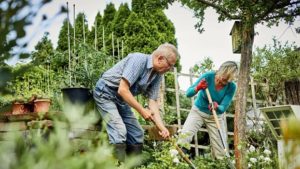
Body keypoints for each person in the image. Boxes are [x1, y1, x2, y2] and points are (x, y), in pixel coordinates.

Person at [93, 43, 179, 162]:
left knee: (137, 134)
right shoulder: (138, 60)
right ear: (160, 59)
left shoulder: (158, 75)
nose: (169, 69)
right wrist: (142, 110)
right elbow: (123, 89)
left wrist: (162, 128)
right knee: (119, 131)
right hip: (105, 93)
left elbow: (152, 103)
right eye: (169, 65)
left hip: (121, 100)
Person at [178, 61, 238, 159]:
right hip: (198, 112)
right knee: (184, 136)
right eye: (223, 78)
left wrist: (217, 106)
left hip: (215, 117)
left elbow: (223, 107)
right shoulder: (208, 76)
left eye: (227, 81)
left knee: (220, 149)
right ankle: (177, 160)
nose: (223, 83)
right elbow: (188, 93)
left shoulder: (232, 87)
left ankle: (222, 164)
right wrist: (198, 87)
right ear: (220, 72)